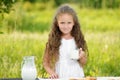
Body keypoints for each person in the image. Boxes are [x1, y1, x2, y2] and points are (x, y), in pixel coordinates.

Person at [43, 4, 88, 79]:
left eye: (69, 23)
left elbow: (83, 63)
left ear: (74, 23)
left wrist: (82, 56)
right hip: (60, 76)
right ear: (57, 23)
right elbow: (45, 63)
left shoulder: (77, 39)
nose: (66, 26)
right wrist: (52, 73)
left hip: (77, 76)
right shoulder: (54, 40)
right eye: (62, 23)